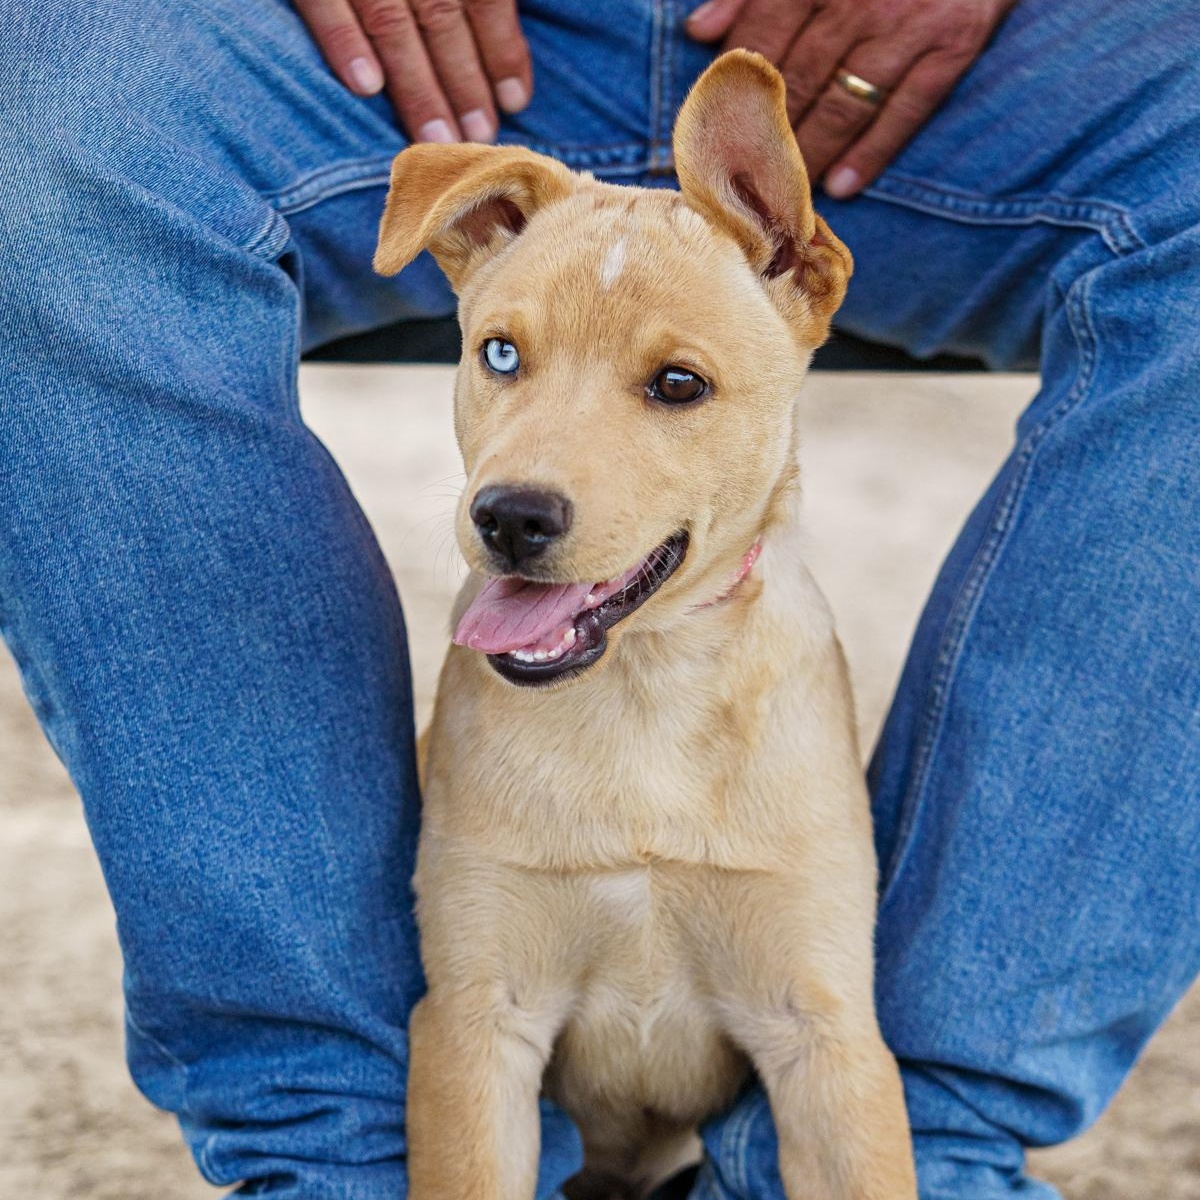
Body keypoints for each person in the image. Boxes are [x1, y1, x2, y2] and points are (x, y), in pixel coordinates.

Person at [1, 1, 1197, 1197]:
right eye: (504, 360)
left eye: (674, 384)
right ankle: (338, 1149)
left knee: (827, 1038)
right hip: (428, 62)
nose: (530, 487)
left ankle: (930, 1145)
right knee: (34, 120)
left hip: (923, 77)